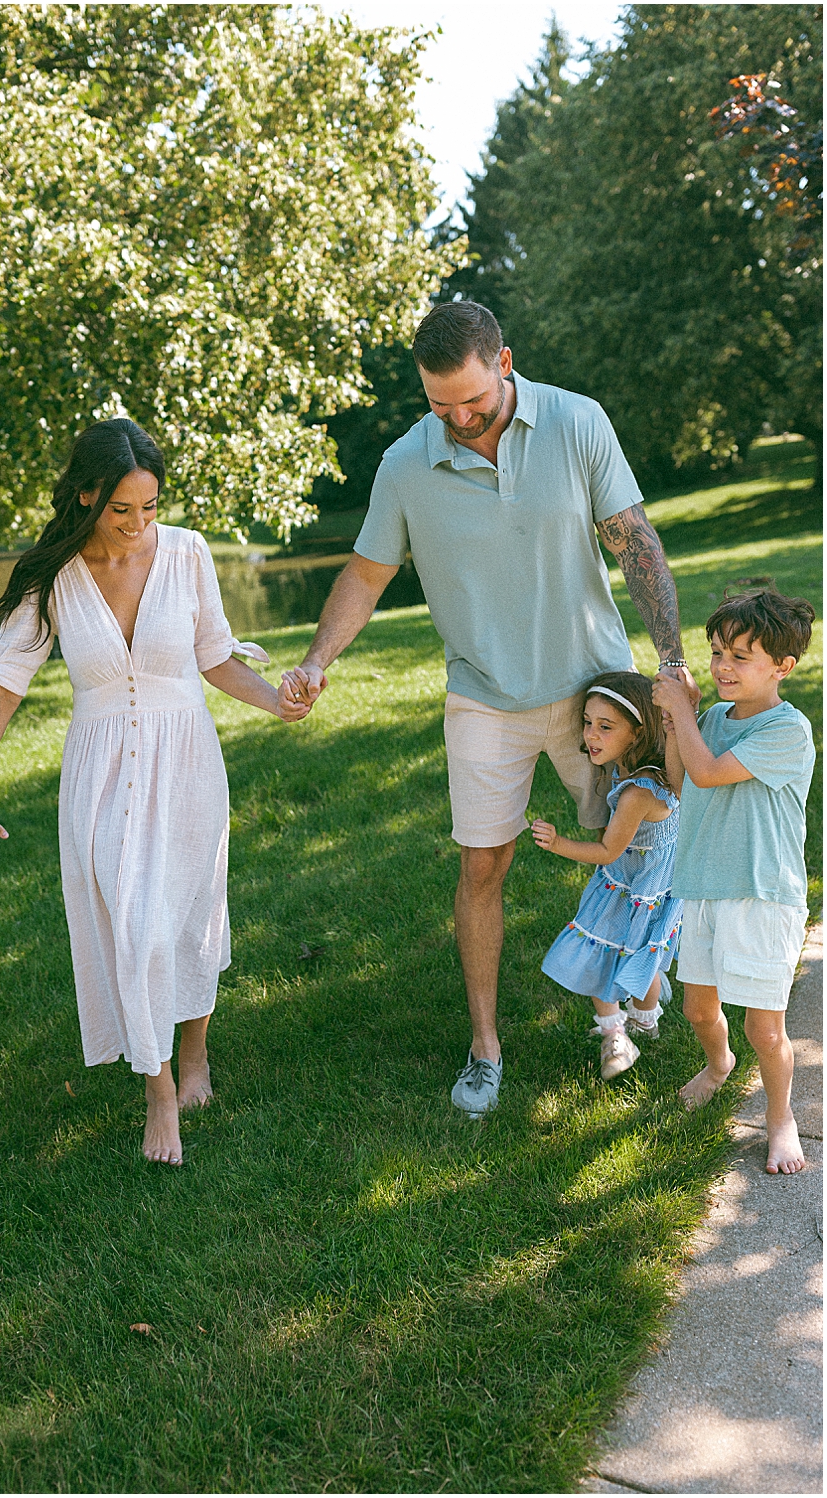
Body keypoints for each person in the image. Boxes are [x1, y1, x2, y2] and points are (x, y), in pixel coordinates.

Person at [280, 299, 690, 1118]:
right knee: (482, 868)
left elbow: (634, 540)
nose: (461, 420)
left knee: (638, 846)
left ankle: (633, 984)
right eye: (441, 407)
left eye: (475, 401)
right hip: (483, 697)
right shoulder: (405, 464)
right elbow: (366, 575)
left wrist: (672, 663)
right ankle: (484, 1046)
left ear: (506, 363)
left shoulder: (576, 422)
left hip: (597, 692)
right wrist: (317, 660)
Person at [0, 418, 306, 1165]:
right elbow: (7, 681)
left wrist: (277, 700)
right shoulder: (53, 576)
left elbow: (214, 657)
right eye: (121, 509)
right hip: (101, 765)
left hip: (187, 761)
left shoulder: (186, 552)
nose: (138, 525)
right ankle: (156, 1095)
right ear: (86, 496)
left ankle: (194, 1057)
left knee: (186, 920)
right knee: (130, 926)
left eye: (149, 507)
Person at [653, 581, 816, 1175]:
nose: (722, 666)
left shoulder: (788, 731)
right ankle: (718, 1065)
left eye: (739, 657)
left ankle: (781, 1119)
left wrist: (679, 712)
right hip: (702, 884)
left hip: (761, 894)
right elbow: (679, 777)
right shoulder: (713, 718)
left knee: (765, 1029)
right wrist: (680, 724)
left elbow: (711, 772)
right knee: (699, 1009)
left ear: (782, 667)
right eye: (718, 652)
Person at [529, 672, 682, 1079]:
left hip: (629, 886)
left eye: (605, 726)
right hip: (646, 884)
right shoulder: (634, 767)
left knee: (606, 953)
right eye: (587, 722)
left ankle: (626, 1030)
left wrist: (558, 843)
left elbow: (607, 850)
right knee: (634, 953)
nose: (591, 735)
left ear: (636, 733)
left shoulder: (637, 792)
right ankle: (635, 1025)